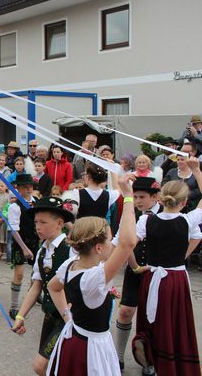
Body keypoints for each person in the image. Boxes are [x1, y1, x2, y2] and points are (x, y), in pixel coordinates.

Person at [45, 174, 138, 376]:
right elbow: (128, 242)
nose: (112, 244)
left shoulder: (71, 264)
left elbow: (53, 286)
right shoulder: (95, 277)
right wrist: (128, 196)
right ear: (98, 247)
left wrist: (67, 316)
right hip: (92, 348)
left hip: (74, 338)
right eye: (109, 241)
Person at [132, 158, 202, 376]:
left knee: (152, 318)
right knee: (175, 322)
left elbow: (127, 245)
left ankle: (151, 358)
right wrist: (197, 170)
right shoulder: (188, 220)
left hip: (152, 275)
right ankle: (171, 360)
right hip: (176, 278)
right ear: (183, 202)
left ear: (160, 199)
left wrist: (135, 267)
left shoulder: (146, 220)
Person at [10, 196, 75, 375]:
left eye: (43, 222)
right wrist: (21, 315)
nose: (38, 226)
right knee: (52, 366)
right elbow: (36, 286)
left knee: (41, 365)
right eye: (36, 222)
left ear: (59, 223)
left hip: (68, 319)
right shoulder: (42, 250)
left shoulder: (71, 249)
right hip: (50, 317)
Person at [113, 176, 162, 371]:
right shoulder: (131, 212)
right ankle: (118, 356)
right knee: (125, 311)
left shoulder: (168, 213)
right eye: (135, 196)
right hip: (134, 269)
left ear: (156, 196)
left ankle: (148, 359)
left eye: (142, 196)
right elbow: (120, 239)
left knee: (153, 316)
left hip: (156, 272)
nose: (138, 200)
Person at [7, 173, 39, 319]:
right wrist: (24, 248)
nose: (29, 189)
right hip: (21, 242)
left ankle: (34, 295)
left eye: (30, 186)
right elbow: (14, 230)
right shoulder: (15, 206)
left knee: (38, 273)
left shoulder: (37, 201)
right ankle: (14, 306)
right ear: (18, 188)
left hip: (36, 242)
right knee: (19, 275)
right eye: (25, 186)